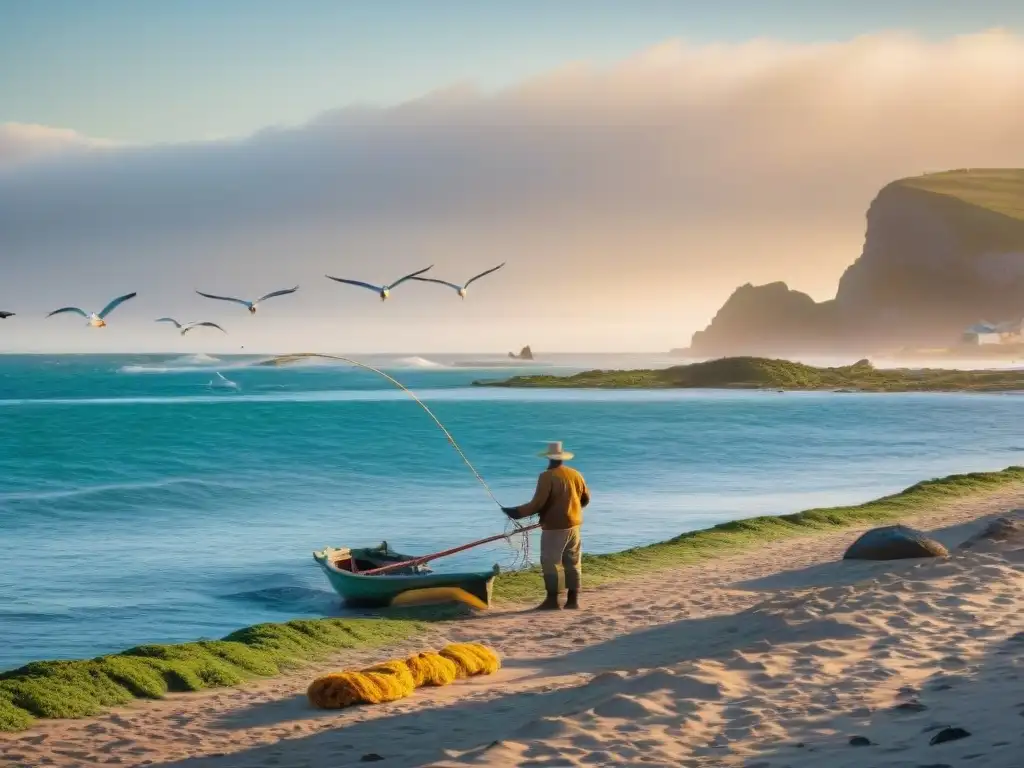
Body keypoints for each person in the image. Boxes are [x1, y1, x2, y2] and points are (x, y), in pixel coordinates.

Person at [502, 441, 590, 610]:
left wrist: (515, 512)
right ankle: (573, 601)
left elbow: (537, 504)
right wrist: (571, 509)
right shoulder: (576, 474)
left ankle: (552, 601)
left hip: (555, 528)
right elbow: (585, 499)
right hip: (575, 526)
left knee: (551, 563)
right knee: (573, 562)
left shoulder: (547, 476)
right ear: (562, 457)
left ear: (549, 457)